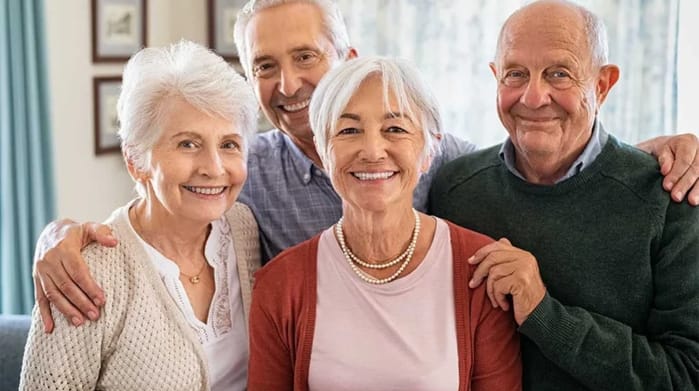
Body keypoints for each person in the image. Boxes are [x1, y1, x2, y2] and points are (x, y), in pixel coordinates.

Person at [31, 0, 699, 332]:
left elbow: (535, 149)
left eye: (305, 57)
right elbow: (154, 210)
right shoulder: (240, 173)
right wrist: (58, 234)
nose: (289, 84)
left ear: (344, 58)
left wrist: (650, 153)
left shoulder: (438, 164)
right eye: (265, 65)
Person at [430, 1, 699, 391]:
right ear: (494, 77)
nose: (534, 96)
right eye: (515, 74)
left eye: (559, 74)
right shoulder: (454, 188)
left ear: (602, 85)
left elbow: (686, 381)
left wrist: (543, 312)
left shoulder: (670, 197)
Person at [248, 55, 521, 391]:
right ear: (322, 149)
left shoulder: (479, 272)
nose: (373, 150)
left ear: (429, 149)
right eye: (349, 130)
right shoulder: (279, 285)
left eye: (395, 129)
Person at [18, 40, 260, 391]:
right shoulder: (84, 275)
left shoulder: (243, 228)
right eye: (188, 144)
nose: (214, 168)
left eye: (229, 144)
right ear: (135, 160)